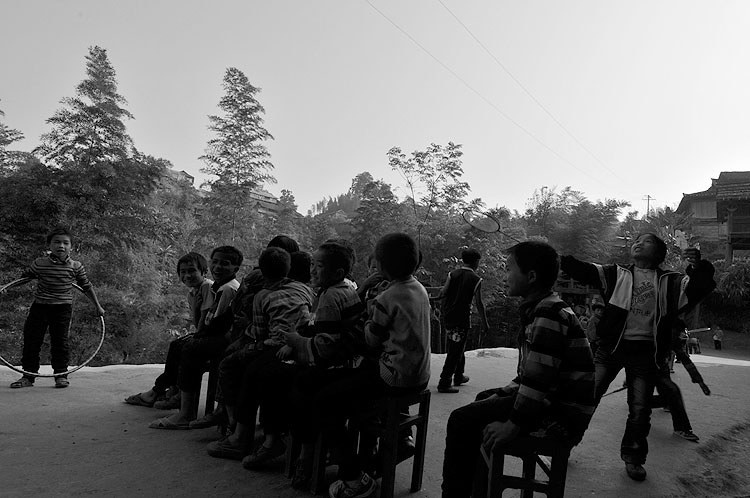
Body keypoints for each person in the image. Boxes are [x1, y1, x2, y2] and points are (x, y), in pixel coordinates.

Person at [441, 241, 595, 498]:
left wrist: (513, 424)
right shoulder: (542, 307)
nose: (505, 276)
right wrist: (500, 394)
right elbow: (528, 374)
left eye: (509, 269)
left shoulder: (548, 313)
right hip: (552, 400)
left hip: (562, 413)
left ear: (531, 276)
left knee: (460, 419)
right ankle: (478, 491)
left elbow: (537, 381)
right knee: (483, 400)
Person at [560, 233, 716, 481]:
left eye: (647, 241)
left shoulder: (671, 282)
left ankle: (633, 458)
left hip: (646, 353)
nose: (639, 243)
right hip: (611, 349)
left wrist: (699, 267)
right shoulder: (615, 274)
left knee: (640, 409)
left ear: (658, 253)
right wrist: (558, 258)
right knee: (586, 397)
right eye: (637, 240)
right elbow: (583, 270)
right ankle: (563, 446)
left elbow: (700, 287)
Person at [321, 232, 431, 498]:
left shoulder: (386, 298)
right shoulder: (418, 288)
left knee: (327, 401)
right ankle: (373, 453)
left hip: (394, 376)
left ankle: (355, 477)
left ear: (380, 266)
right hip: (419, 375)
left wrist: (370, 309)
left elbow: (370, 339)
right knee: (352, 385)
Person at [204, 247, 315, 460]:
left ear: (262, 273)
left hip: (275, 347)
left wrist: (246, 327)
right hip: (302, 344)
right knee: (244, 364)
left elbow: (259, 333)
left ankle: (236, 430)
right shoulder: (304, 289)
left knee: (230, 364)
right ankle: (241, 429)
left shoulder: (263, 296)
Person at [149, 245, 242, 430]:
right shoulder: (219, 287)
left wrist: (197, 336)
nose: (218, 267)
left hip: (226, 340)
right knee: (181, 345)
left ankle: (185, 411)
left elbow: (215, 324)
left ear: (236, 268)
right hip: (219, 335)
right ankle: (177, 394)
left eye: (224, 263)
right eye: (215, 262)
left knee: (190, 348)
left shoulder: (227, 289)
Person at [9, 227, 105, 389]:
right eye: (57, 242)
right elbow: (24, 278)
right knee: (32, 341)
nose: (61, 246)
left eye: (65, 243)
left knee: (60, 342)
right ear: (49, 245)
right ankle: (28, 376)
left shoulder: (75, 266)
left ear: (71, 247)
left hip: (62, 309)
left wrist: (98, 306)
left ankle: (61, 375)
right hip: (40, 307)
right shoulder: (40, 264)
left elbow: (86, 286)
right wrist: (5, 287)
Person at [124, 252, 212, 407]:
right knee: (177, 345)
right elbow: (198, 323)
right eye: (183, 272)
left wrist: (197, 309)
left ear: (204, 272)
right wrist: (196, 307)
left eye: (192, 270)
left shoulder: (207, 287)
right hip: (205, 334)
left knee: (180, 346)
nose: (187, 275)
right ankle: (170, 391)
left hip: (213, 336)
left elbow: (202, 325)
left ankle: (157, 392)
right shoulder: (192, 293)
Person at [435, 248, 489, 394]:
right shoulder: (476, 279)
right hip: (461, 319)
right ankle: (444, 382)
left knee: (458, 346)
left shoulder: (452, 274)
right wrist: (485, 323)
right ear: (476, 262)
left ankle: (459, 375)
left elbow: (443, 292)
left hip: (448, 317)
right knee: (455, 350)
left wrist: (434, 298)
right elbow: (479, 303)